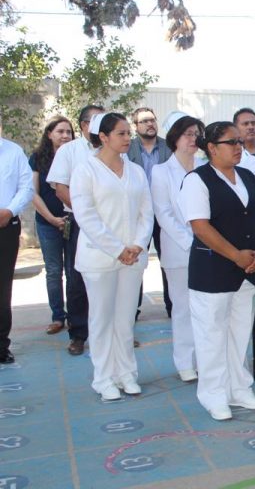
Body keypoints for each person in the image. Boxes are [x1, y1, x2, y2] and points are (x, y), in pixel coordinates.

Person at [179, 121, 255, 421]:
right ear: (210, 148)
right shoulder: (197, 180)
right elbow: (200, 226)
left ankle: (239, 389)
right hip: (213, 272)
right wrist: (236, 255)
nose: (238, 147)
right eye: (230, 142)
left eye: (240, 142)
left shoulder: (247, 176)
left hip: (249, 269)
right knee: (211, 335)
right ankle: (214, 395)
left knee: (239, 333)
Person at [70, 112, 154, 400]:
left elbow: (146, 211)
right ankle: (103, 378)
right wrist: (118, 249)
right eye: (120, 133)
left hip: (133, 257)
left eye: (127, 133)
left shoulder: (136, 171)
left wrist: (138, 245)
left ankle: (126, 374)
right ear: (103, 137)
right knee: (102, 319)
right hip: (100, 258)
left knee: (125, 318)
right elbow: (86, 215)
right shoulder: (86, 170)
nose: (127, 138)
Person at [150, 115, 205, 382]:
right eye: (188, 134)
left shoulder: (206, 167)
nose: (193, 139)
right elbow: (164, 214)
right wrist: (191, 241)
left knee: (207, 309)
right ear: (175, 137)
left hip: (209, 249)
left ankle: (205, 358)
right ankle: (185, 362)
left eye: (197, 133)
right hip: (178, 251)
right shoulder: (161, 172)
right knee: (183, 308)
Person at [47, 104, 105, 356]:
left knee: (110, 277)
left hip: (110, 222)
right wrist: (88, 214)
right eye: (98, 121)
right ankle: (79, 334)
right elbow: (60, 188)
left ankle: (111, 332)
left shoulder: (112, 150)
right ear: (83, 125)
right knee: (77, 277)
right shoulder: (69, 151)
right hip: (80, 222)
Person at [29, 116, 74, 335]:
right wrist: (50, 218)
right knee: (54, 271)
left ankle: (76, 316)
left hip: (72, 222)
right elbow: (33, 193)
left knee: (73, 271)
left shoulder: (77, 157)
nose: (65, 135)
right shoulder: (38, 158)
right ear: (49, 134)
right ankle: (58, 316)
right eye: (60, 131)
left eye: (69, 132)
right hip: (48, 224)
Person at [127, 107, 173, 319]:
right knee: (136, 261)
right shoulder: (128, 149)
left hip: (164, 213)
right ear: (136, 126)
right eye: (144, 121)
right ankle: (132, 308)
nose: (150, 124)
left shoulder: (168, 147)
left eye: (152, 120)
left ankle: (173, 306)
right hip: (137, 214)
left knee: (168, 260)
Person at [0, 135, 34, 364]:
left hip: (5, 225)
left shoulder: (13, 151)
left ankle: (1, 345)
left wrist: (9, 211)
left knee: (3, 287)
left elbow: (26, 187)